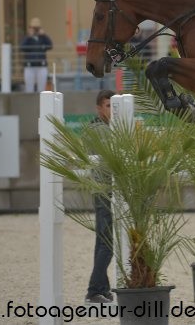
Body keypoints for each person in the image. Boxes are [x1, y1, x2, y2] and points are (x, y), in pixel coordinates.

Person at [85, 89, 115, 305]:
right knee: (107, 243)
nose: (112, 110)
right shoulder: (101, 131)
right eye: (108, 106)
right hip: (105, 189)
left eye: (114, 105)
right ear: (99, 108)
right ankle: (94, 289)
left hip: (104, 189)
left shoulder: (100, 128)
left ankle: (101, 288)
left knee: (102, 242)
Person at [20, 17, 53, 92]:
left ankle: (40, 103)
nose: (35, 30)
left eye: (37, 28)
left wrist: (44, 35)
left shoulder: (43, 38)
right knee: (29, 88)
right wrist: (29, 36)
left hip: (41, 65)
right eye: (33, 28)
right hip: (29, 65)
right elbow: (22, 47)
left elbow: (50, 45)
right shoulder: (27, 38)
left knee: (41, 89)